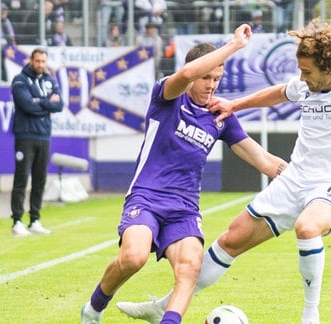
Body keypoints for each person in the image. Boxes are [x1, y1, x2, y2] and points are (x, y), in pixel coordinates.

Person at [117, 18, 331, 324]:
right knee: (231, 240)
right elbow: (279, 93)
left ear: (328, 68)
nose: (302, 77)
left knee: (308, 227)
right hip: (294, 181)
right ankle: (163, 307)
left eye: (307, 71)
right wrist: (235, 105)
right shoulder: (306, 86)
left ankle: (310, 315)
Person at [80, 24, 288, 324]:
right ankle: (94, 308)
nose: (211, 85)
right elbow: (187, 74)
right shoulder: (167, 96)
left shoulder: (220, 117)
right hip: (147, 196)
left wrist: (305, 181)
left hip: (184, 208)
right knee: (134, 257)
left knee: (190, 267)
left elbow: (265, 161)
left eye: (217, 78)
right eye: (207, 77)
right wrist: (234, 45)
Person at [10, 48, 64, 236]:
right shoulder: (20, 80)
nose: (40, 65)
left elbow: (59, 105)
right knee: (21, 179)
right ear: (31, 61)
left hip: (44, 136)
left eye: (43, 61)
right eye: (37, 61)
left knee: (39, 180)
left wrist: (39, 102)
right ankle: (17, 221)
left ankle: (35, 220)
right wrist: (47, 103)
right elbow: (26, 105)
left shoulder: (49, 80)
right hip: (25, 135)